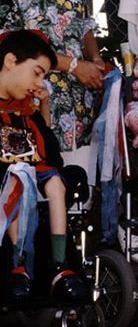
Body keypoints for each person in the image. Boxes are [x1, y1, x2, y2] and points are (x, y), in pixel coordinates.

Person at [0, 0, 104, 159]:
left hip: (80, 106)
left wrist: (95, 58)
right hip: (34, 106)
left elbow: (82, 21)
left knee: (79, 187)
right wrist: (73, 66)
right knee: (38, 184)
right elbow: (6, 41)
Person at [0, 30, 88, 303]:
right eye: (36, 72)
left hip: (28, 166)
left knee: (55, 181)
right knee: (20, 180)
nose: (39, 82)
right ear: (11, 60)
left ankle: (60, 265)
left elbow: (44, 141)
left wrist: (44, 103)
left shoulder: (24, 108)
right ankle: (18, 265)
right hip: (11, 175)